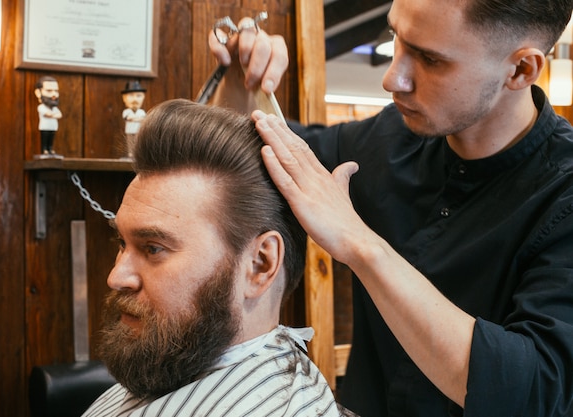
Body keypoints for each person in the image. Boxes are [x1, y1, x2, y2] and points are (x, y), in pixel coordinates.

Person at [208, 1, 573, 416]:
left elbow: (535, 389)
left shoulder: (562, 197)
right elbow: (259, 154)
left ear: (522, 70)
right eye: (396, 37)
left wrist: (361, 245)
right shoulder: (387, 137)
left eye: (430, 59)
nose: (391, 78)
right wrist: (245, 80)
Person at [82, 99, 351, 417]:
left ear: (260, 265)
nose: (116, 276)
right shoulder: (171, 363)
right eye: (121, 243)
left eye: (153, 248)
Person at [34, 76, 62, 158]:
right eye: (49, 91)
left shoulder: (55, 108)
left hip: (53, 127)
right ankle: (45, 150)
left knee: (51, 139)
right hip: (45, 127)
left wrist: (52, 115)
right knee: (45, 139)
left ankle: (50, 149)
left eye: (56, 91)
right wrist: (53, 115)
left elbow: (59, 115)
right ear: (38, 93)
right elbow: (48, 114)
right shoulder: (41, 107)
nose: (54, 94)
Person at [121, 80, 147, 158]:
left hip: (138, 130)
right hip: (129, 130)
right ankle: (131, 154)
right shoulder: (126, 111)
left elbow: (143, 119)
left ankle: (137, 154)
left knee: (137, 142)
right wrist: (137, 119)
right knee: (130, 142)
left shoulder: (141, 112)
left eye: (138, 96)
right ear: (124, 98)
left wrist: (134, 119)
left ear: (143, 97)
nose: (135, 99)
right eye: (131, 95)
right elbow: (128, 118)